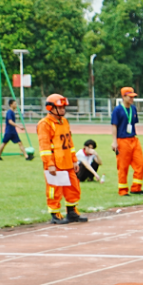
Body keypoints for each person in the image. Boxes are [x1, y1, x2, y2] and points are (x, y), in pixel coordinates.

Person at [37, 94, 87, 224]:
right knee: (55, 189)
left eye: (64, 107)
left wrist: (74, 160)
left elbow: (70, 143)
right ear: (50, 108)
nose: (63, 109)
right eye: (60, 107)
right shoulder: (44, 124)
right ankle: (55, 214)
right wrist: (50, 164)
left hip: (67, 162)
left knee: (73, 188)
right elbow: (44, 146)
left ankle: (72, 212)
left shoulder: (64, 122)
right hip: (55, 163)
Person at [111, 87, 143, 196]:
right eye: (130, 97)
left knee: (140, 164)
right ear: (123, 97)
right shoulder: (117, 110)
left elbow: (133, 123)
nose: (132, 99)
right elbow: (114, 126)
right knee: (123, 166)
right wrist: (114, 141)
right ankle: (123, 190)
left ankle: (136, 188)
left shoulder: (133, 109)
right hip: (122, 140)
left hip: (133, 139)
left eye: (133, 97)